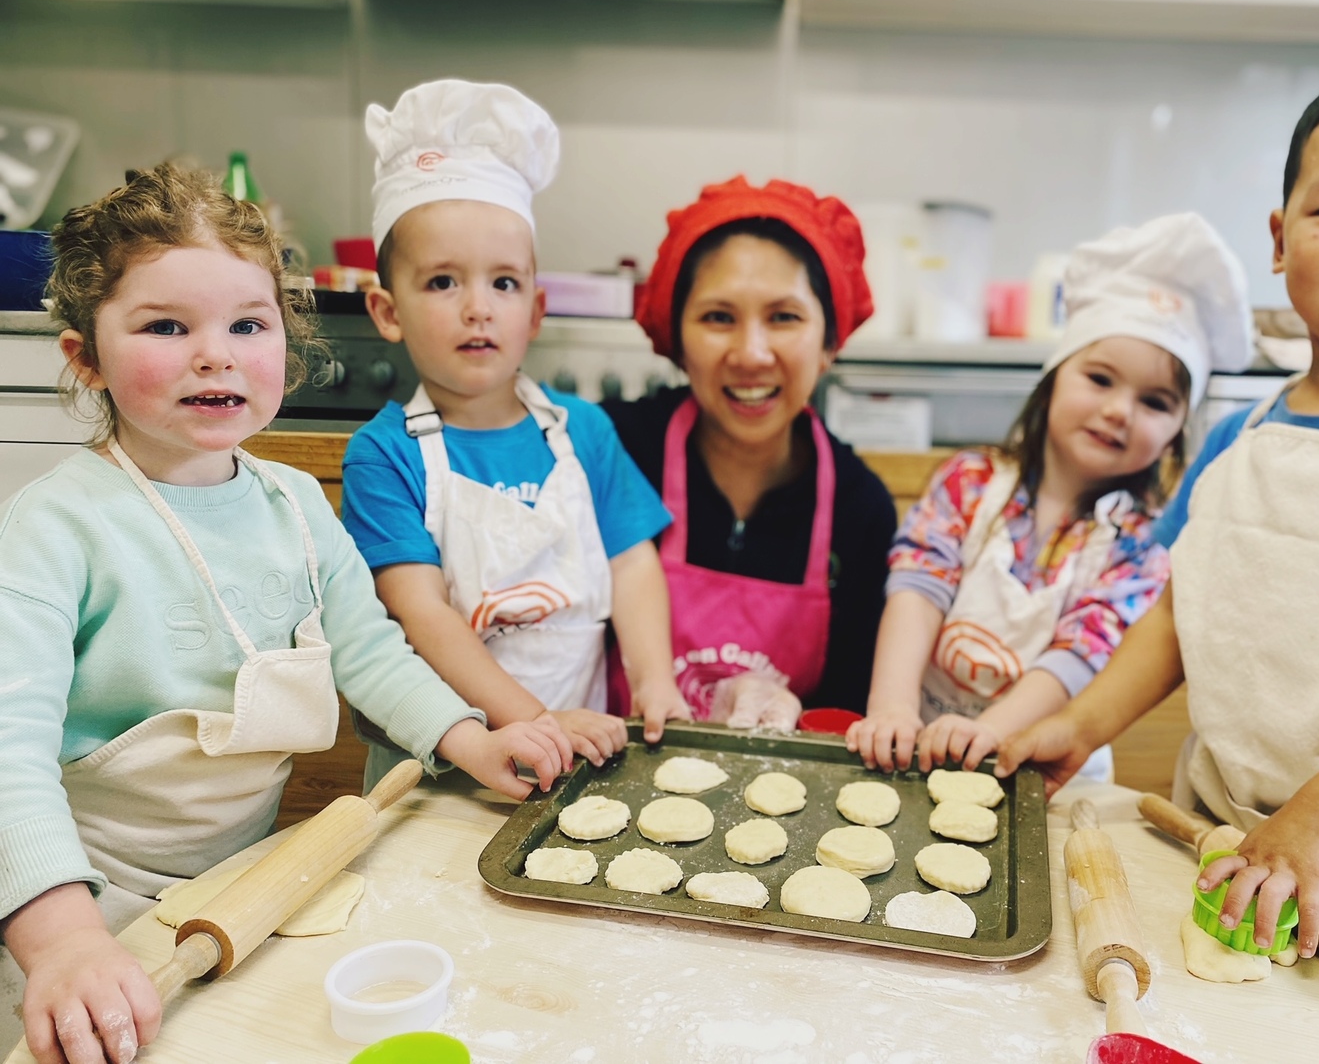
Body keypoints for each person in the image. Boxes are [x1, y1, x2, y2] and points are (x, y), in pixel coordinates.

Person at [0, 163, 572, 1064]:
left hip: (246, 885)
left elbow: (370, 652)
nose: (215, 353)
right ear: (84, 356)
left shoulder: (297, 506)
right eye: (164, 326)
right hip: (83, 903)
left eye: (247, 324)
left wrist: (468, 738)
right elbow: (6, 750)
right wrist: (59, 940)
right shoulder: (59, 526)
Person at [1000, 52, 1319, 998]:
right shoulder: (1239, 437)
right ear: (1279, 240)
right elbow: (1175, 616)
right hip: (1229, 838)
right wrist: (1078, 721)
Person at [342, 80, 688, 788]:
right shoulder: (384, 455)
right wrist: (532, 719)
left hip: (579, 766)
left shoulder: (585, 431)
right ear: (386, 310)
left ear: (536, 309)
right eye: (442, 282)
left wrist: (653, 679)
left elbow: (631, 564)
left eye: (503, 283)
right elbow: (420, 611)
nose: (477, 308)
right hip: (438, 774)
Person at [848, 213, 1253, 777]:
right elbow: (918, 586)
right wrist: (890, 706)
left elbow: (1082, 651)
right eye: (1101, 379)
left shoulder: (1143, 544)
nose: (1119, 411)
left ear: (1176, 433)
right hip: (919, 747)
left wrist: (989, 732)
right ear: (1054, 375)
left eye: (1155, 402)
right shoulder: (970, 482)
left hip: (1044, 773)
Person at [603, 177, 897, 726]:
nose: (751, 354)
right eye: (719, 317)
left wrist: (791, 712)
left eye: (784, 317)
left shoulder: (861, 509)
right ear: (677, 339)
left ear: (830, 343)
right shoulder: (617, 450)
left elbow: (851, 713)